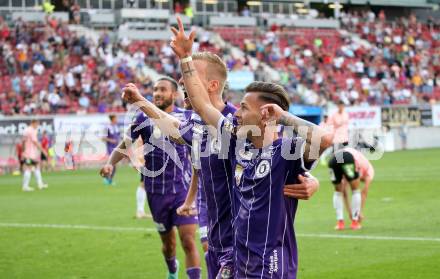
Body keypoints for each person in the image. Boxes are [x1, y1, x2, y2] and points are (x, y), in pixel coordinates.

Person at [123, 17, 332, 278]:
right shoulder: (202, 125)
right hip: (217, 240)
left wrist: (310, 178)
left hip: (243, 249)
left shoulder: (239, 125)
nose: (183, 84)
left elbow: (283, 151)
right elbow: (174, 128)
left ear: (210, 84)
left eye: (190, 79)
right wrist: (141, 100)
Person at [101, 77, 201, 279]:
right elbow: (125, 145)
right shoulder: (142, 118)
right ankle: (172, 270)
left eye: (162, 89)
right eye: (155, 89)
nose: (157, 93)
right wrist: (110, 163)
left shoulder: (186, 116)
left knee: (188, 241)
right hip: (156, 192)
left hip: (183, 190)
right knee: (168, 244)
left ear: (173, 94)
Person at [328, 147, 375, 230]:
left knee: (338, 192)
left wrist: (350, 211)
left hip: (334, 158)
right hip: (347, 157)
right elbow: (364, 193)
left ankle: (340, 223)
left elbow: (344, 192)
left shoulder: (360, 163)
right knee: (356, 191)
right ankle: (355, 223)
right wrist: (358, 212)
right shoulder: (370, 171)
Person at [22, 119, 48, 191]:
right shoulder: (32, 131)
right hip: (30, 153)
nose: (37, 126)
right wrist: (43, 151)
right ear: (33, 123)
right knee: (29, 168)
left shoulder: (26, 130)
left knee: (37, 166)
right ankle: (25, 186)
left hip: (28, 153)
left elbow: (23, 141)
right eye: (37, 124)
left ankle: (40, 184)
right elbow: (35, 142)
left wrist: (23, 151)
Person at [102, 114, 120, 186]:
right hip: (110, 149)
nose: (117, 120)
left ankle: (108, 179)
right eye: (116, 118)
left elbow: (118, 137)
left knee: (114, 165)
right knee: (112, 165)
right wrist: (111, 140)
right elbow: (103, 138)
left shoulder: (116, 127)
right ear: (112, 119)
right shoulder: (107, 127)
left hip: (116, 148)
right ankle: (107, 179)